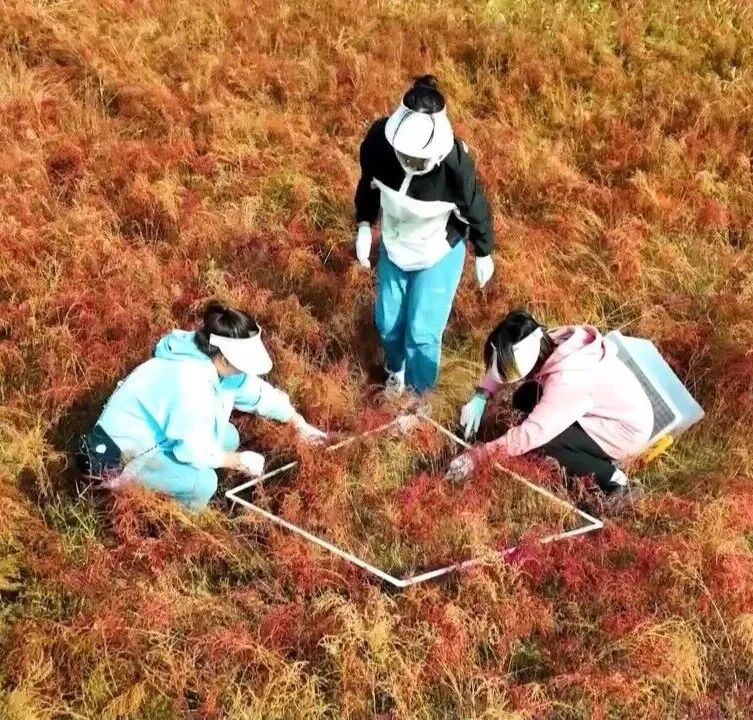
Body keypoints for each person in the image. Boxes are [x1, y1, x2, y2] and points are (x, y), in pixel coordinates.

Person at [77, 302, 326, 511]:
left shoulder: (214, 361)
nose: (245, 372)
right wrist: (237, 461)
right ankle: (171, 520)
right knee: (204, 483)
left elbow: (257, 393)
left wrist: (297, 421)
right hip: (126, 455)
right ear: (225, 359)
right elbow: (192, 450)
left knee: (228, 436)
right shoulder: (189, 382)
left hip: (161, 436)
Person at [353, 75, 495, 395]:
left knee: (421, 333)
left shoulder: (456, 167)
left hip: (437, 251)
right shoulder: (378, 143)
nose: (410, 165)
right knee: (387, 323)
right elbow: (368, 185)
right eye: (405, 156)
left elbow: (476, 208)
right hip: (395, 243)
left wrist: (484, 251)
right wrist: (363, 223)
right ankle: (396, 371)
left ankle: (419, 397)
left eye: (419, 160)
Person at [447, 310, 654, 502]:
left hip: (623, 430)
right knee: (524, 398)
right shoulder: (546, 341)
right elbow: (505, 363)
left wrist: (478, 456)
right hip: (605, 407)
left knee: (544, 445)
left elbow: (530, 434)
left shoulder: (567, 379)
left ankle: (612, 479)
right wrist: (482, 395)